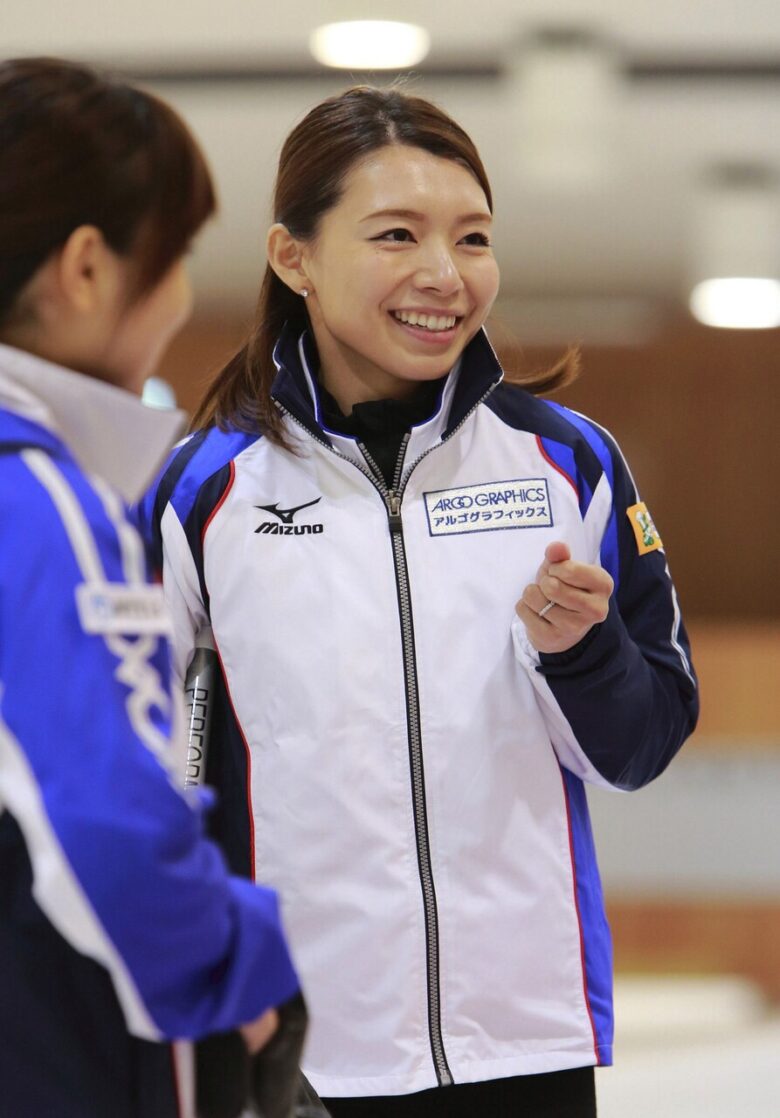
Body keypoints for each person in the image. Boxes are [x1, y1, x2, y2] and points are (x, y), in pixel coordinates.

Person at [140, 86, 699, 1118]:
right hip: (290, 1046)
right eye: (397, 234)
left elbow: (644, 741)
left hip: (525, 1045)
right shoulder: (206, 489)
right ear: (292, 256)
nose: (445, 274)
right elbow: (147, 769)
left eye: (473, 236)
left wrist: (582, 653)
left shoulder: (566, 464)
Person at [0, 58, 302, 1118]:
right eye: (172, 257)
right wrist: (251, 960)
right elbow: (113, 824)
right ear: (86, 268)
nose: (180, 296)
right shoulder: (36, 502)